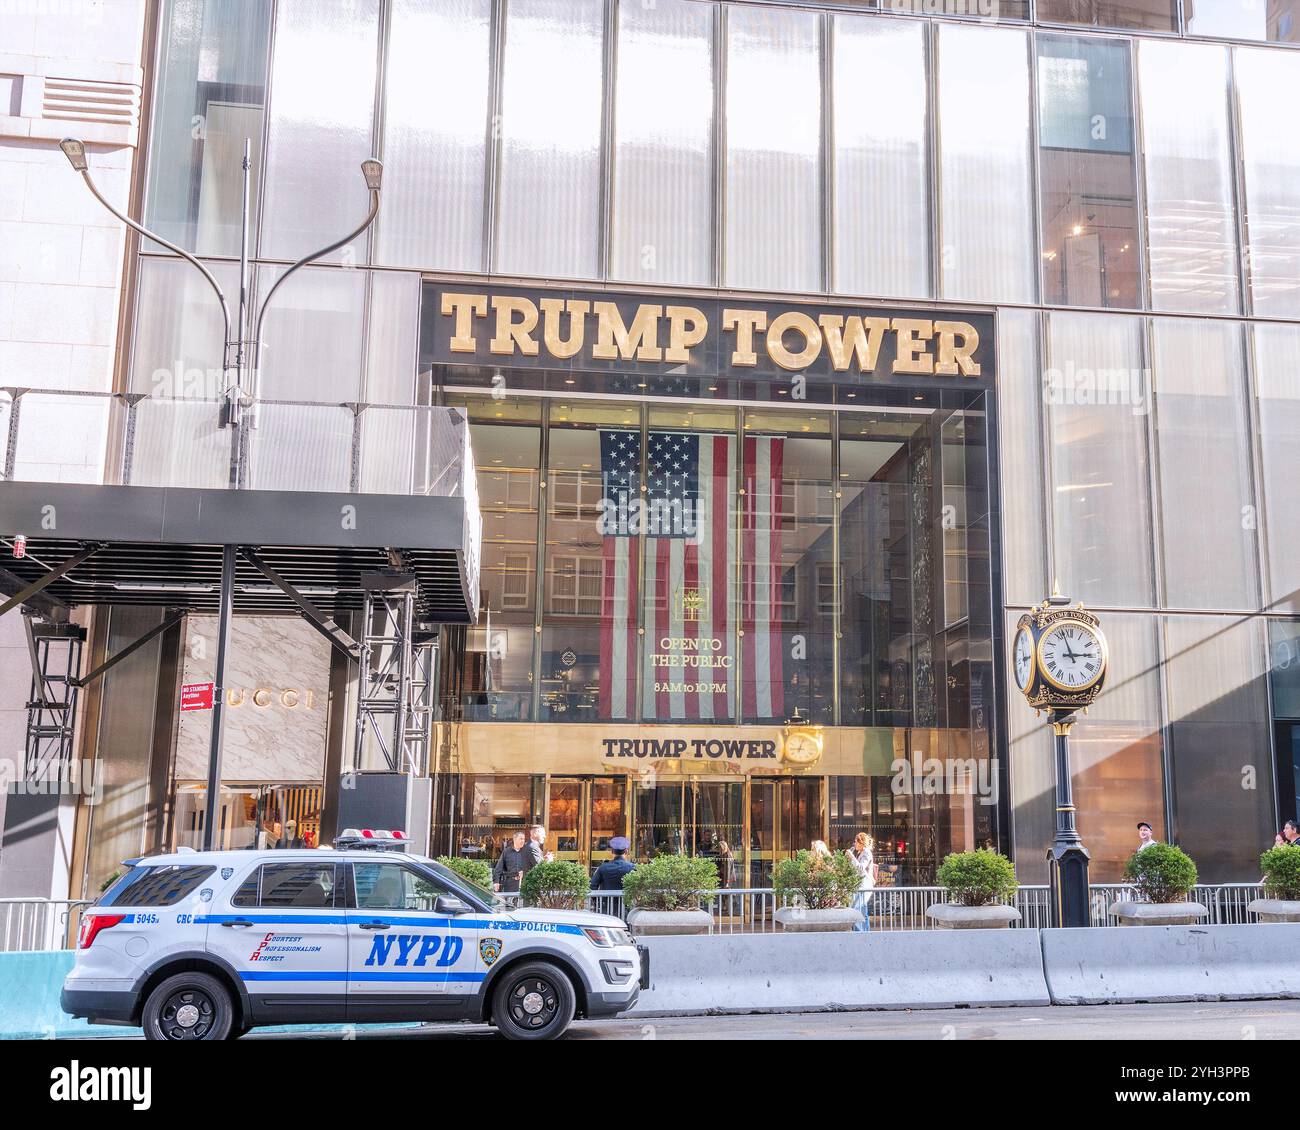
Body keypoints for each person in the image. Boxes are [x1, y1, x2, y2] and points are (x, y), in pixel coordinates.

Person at [849, 832, 876, 933]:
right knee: (861, 908)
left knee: (858, 907)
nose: (854, 844)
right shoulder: (859, 853)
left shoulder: (866, 853)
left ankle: (861, 931)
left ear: (861, 843)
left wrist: (852, 857)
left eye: (855, 842)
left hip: (865, 885)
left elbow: (861, 867)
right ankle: (863, 931)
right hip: (859, 885)